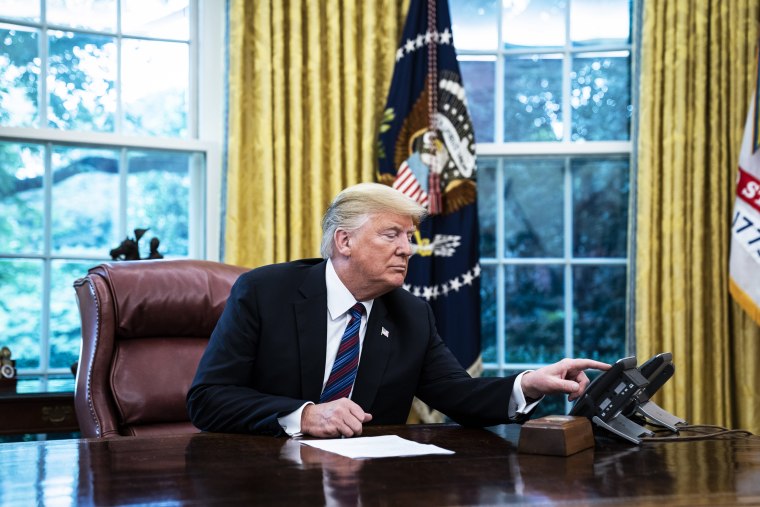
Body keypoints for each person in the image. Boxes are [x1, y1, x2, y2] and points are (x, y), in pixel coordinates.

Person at [187, 182, 609, 438]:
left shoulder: (410, 314)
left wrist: (530, 384)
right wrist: (305, 415)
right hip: (265, 479)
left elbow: (459, 396)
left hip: (370, 484)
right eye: (391, 235)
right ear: (344, 242)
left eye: (409, 237)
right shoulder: (264, 292)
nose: (407, 249)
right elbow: (208, 400)